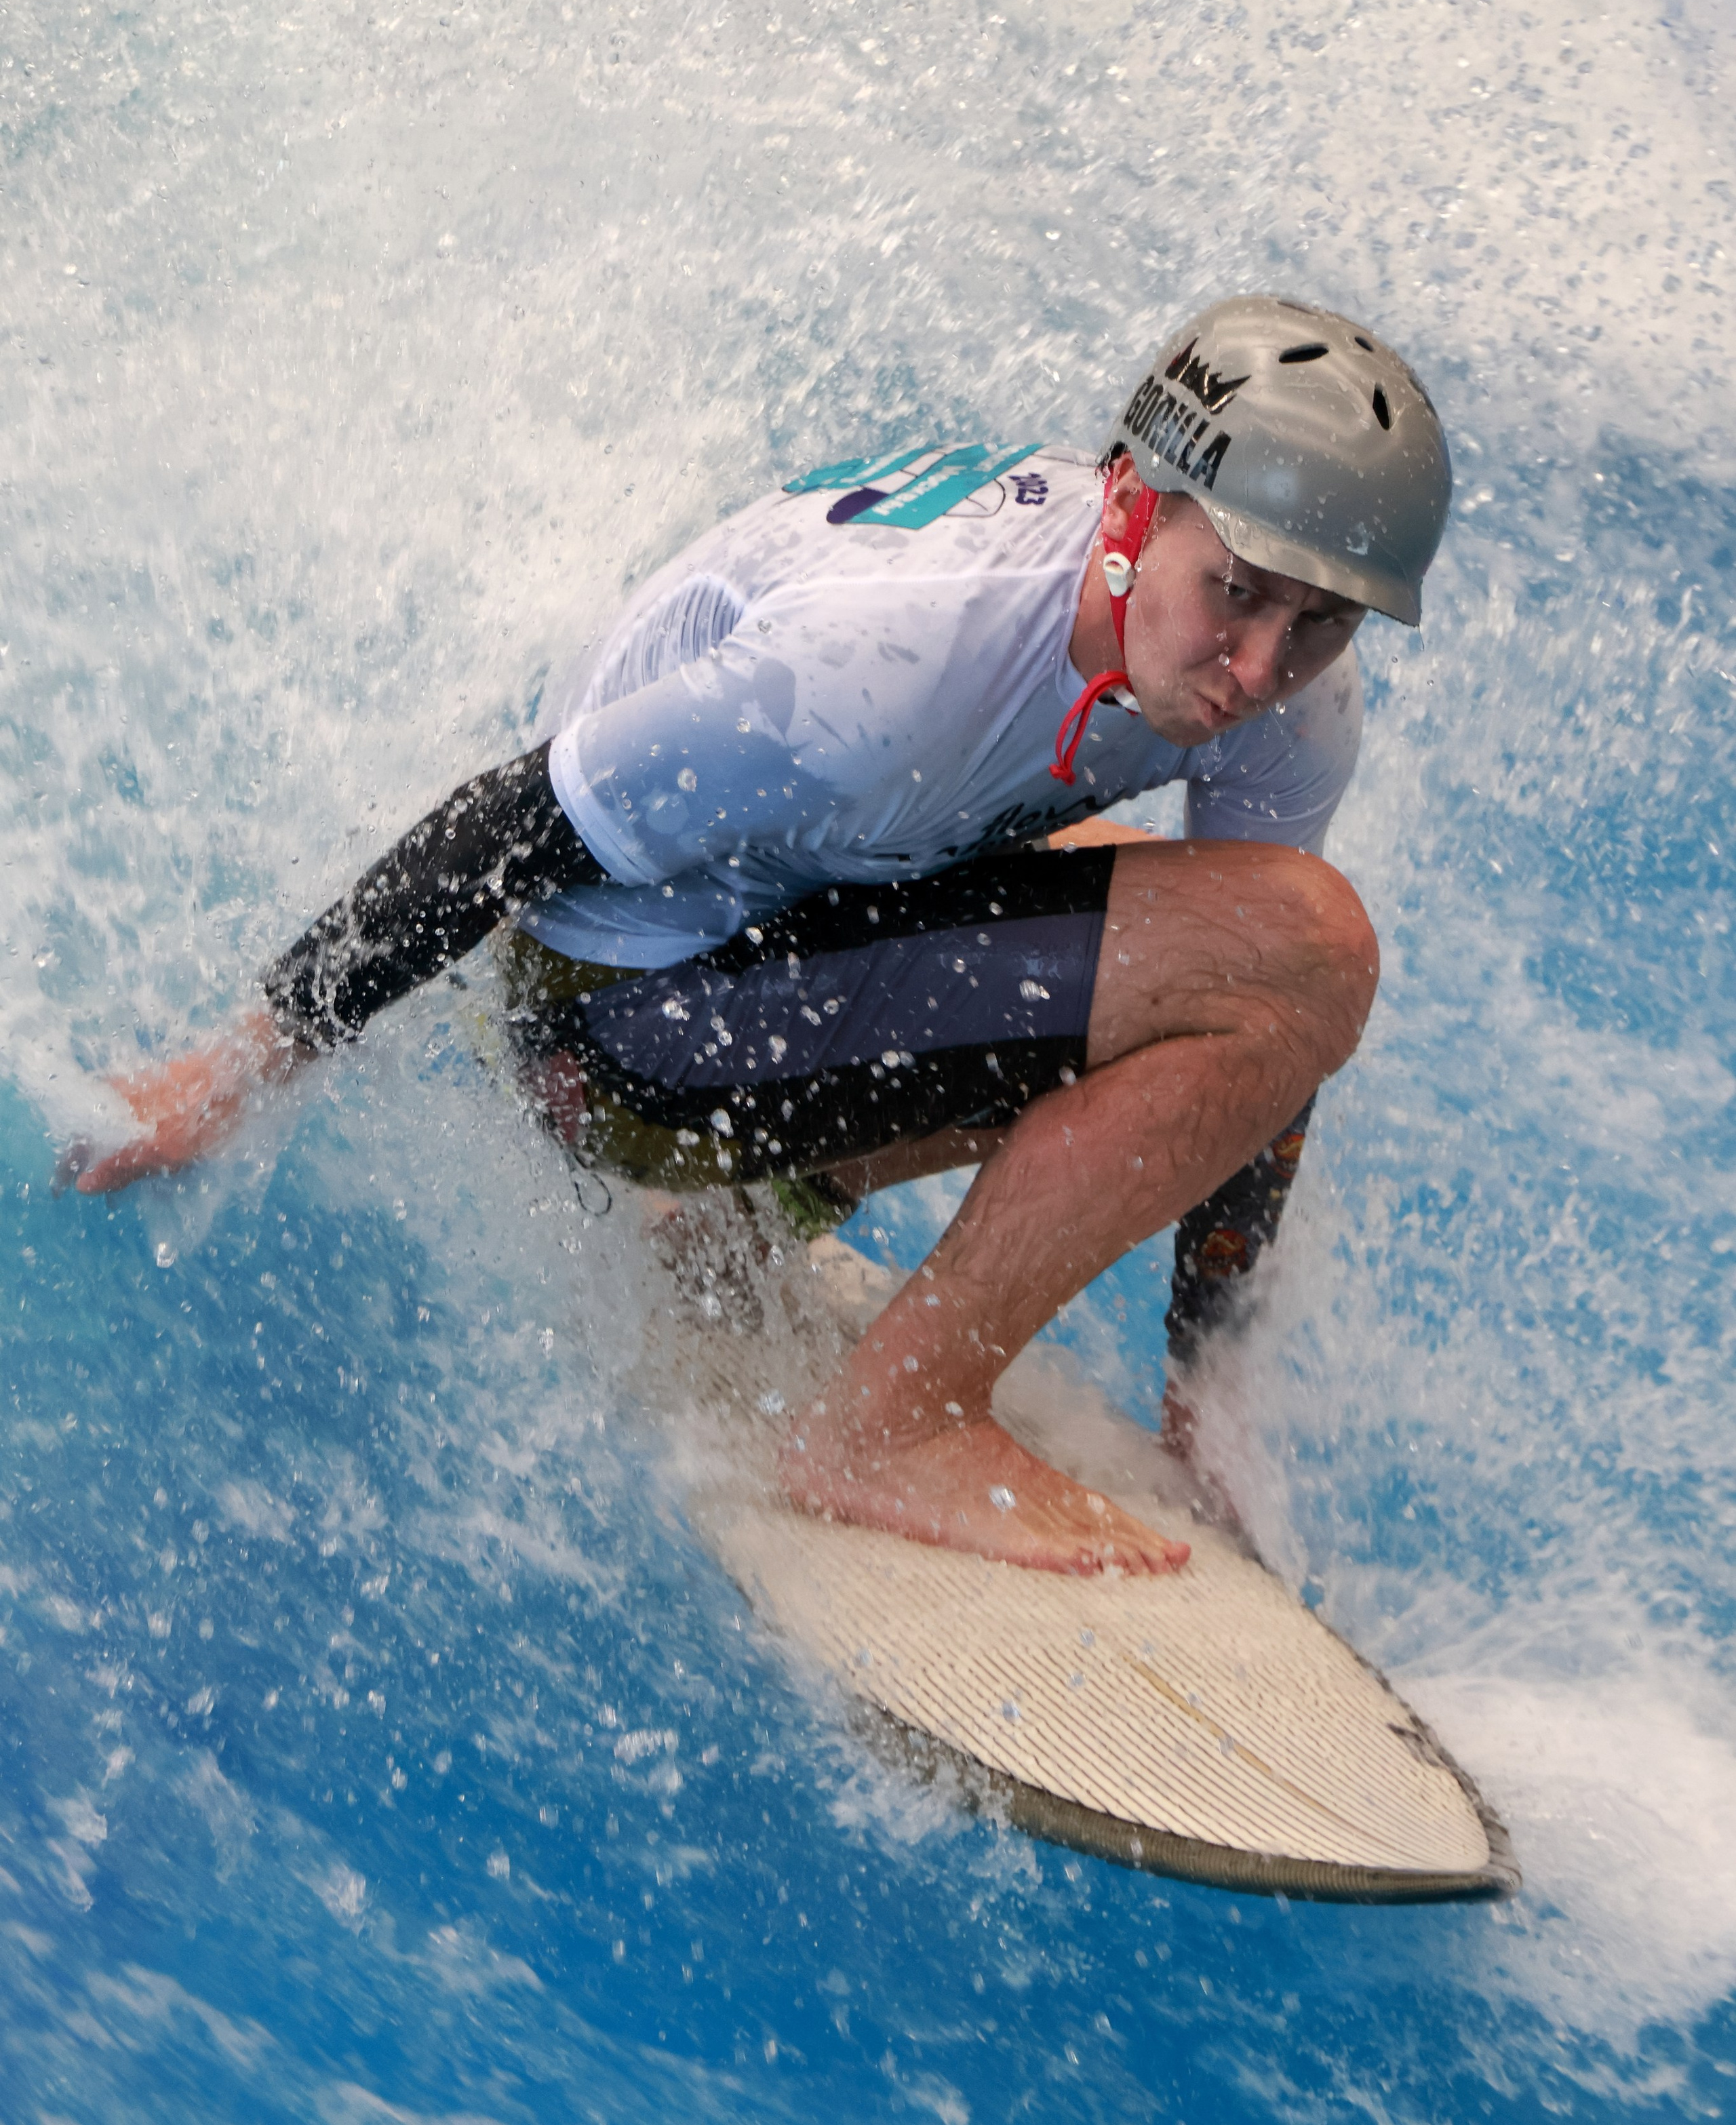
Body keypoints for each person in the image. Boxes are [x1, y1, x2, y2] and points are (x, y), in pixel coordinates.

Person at [69, 295, 1451, 1578]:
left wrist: (1202, 1377)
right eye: (1237, 593)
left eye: (1318, 626)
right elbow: (509, 824)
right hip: (611, 1031)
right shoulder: (886, 656)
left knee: (1231, 933)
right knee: (1299, 943)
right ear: (1134, 507)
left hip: (787, 921)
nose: (1261, 667)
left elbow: (1260, 1049)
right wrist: (234, 1069)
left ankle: (755, 1208)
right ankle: (887, 1427)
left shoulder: (1265, 690)